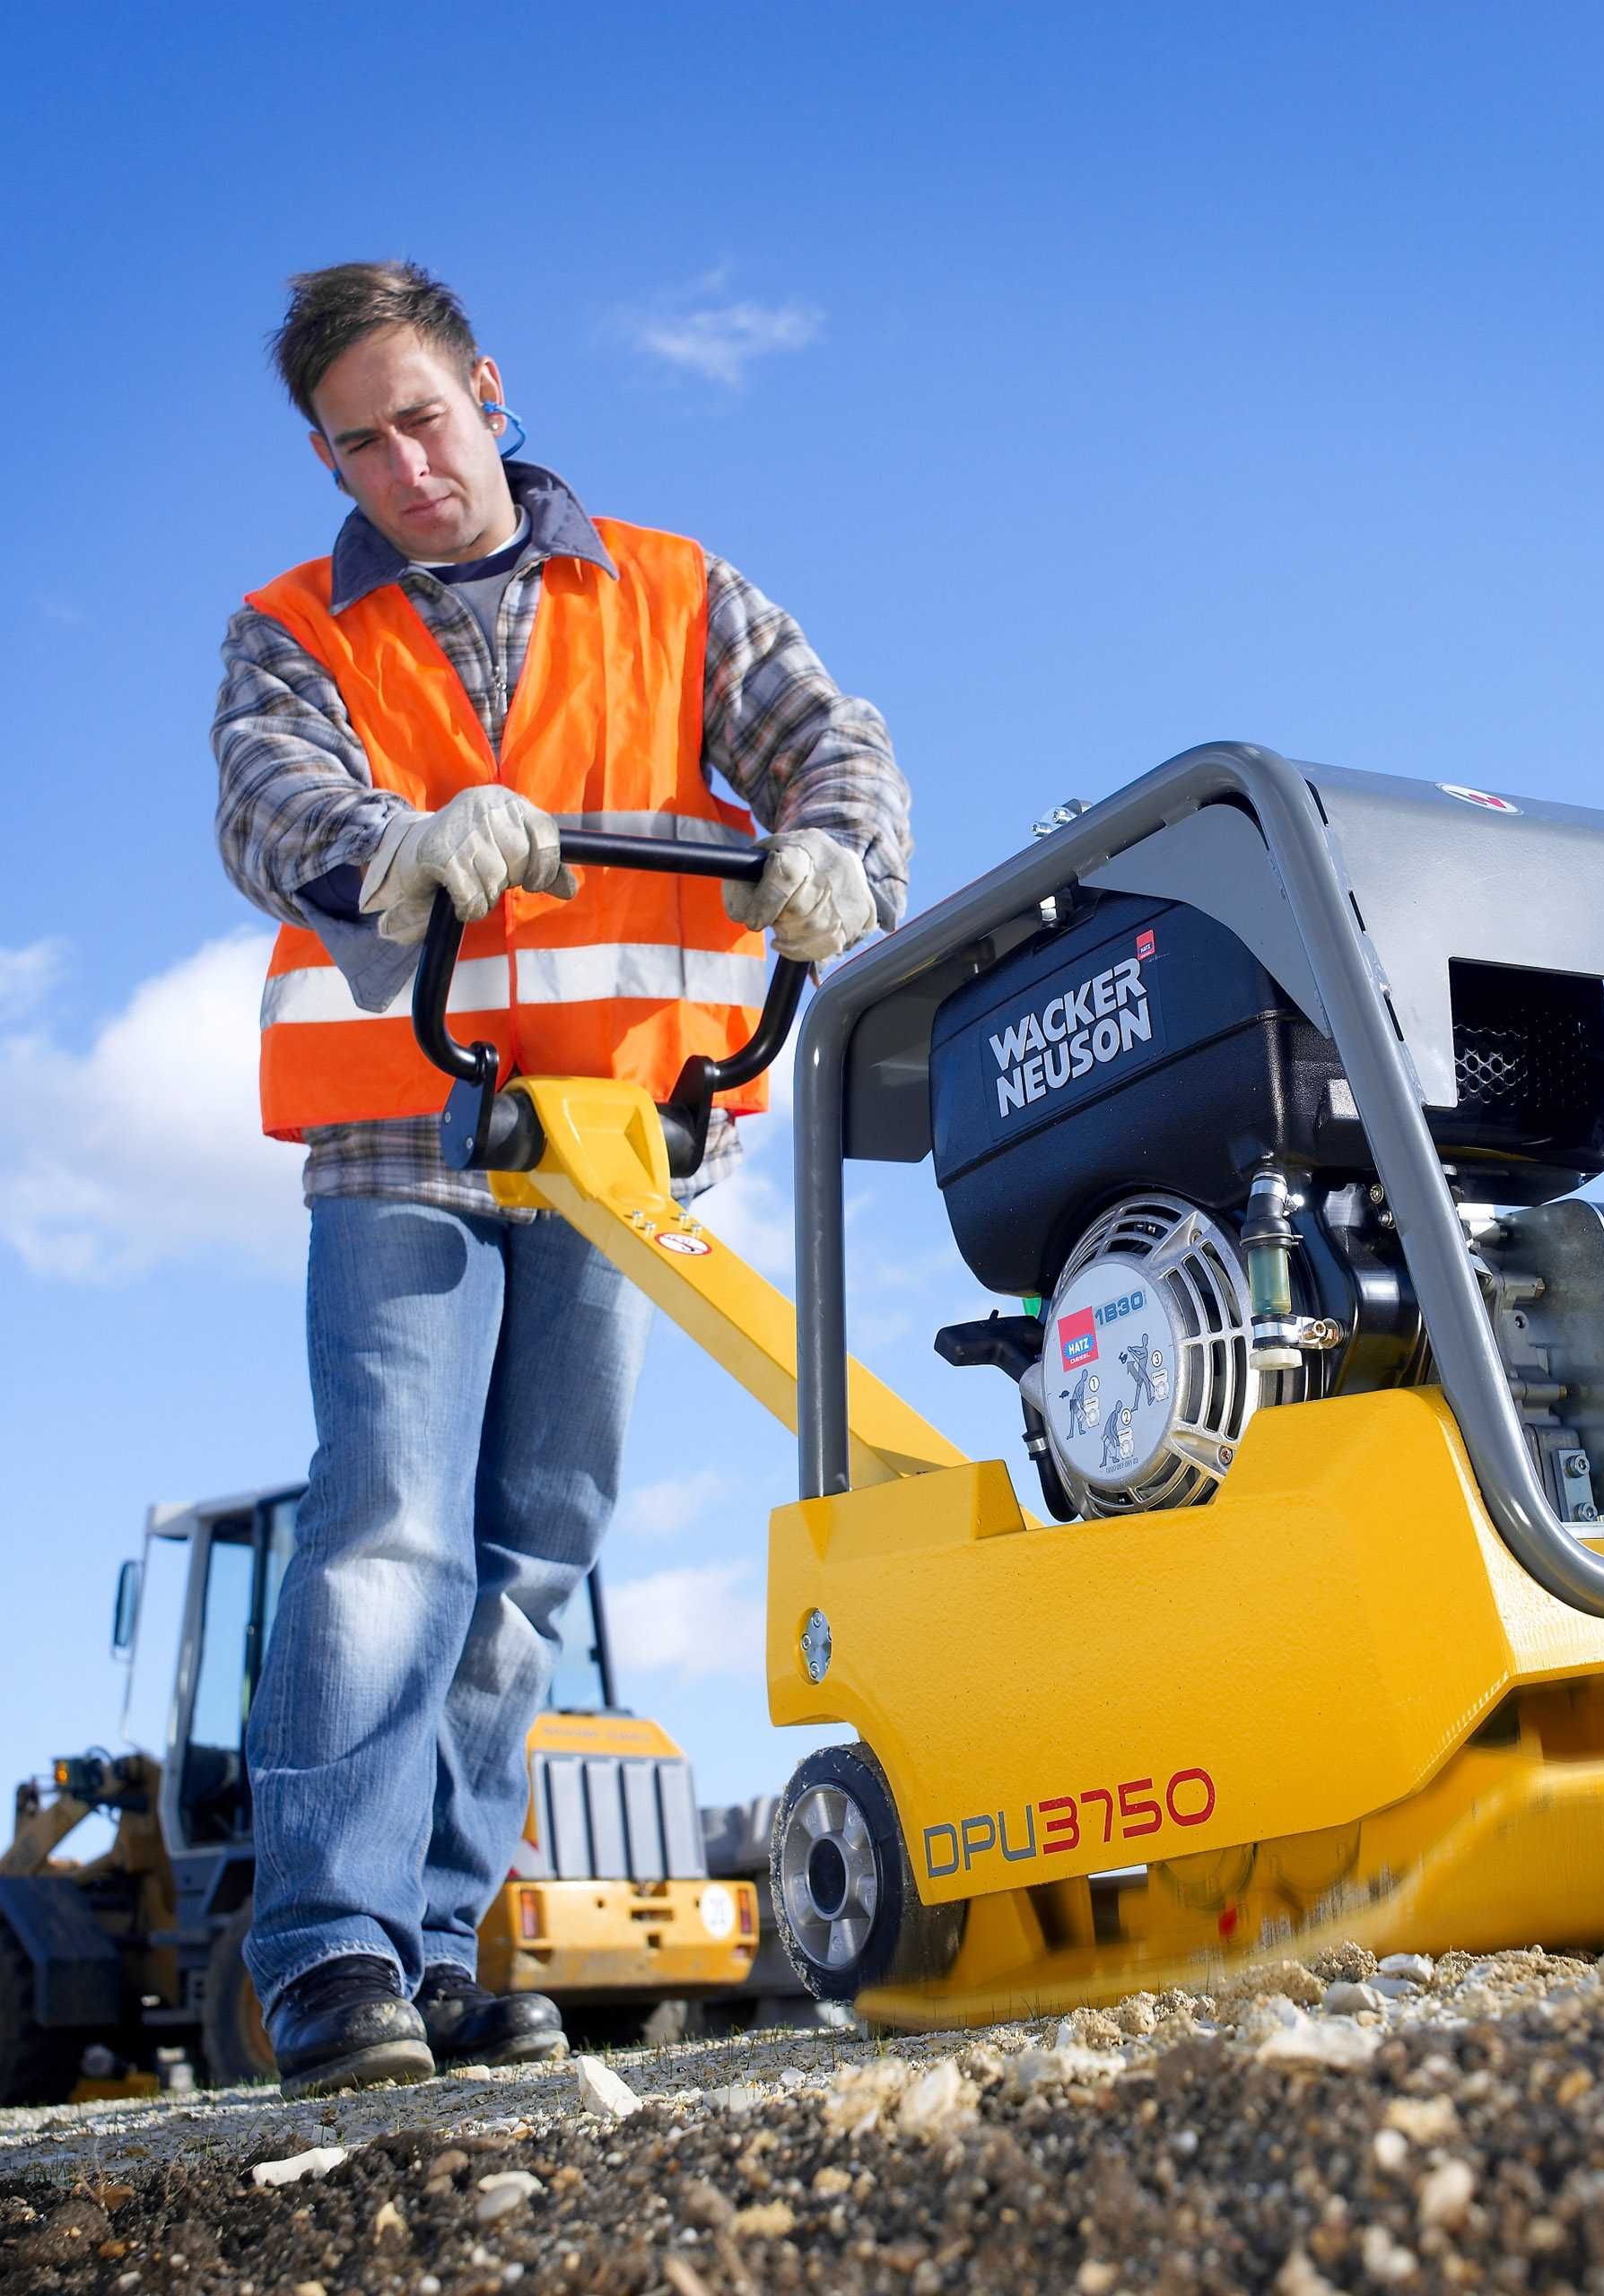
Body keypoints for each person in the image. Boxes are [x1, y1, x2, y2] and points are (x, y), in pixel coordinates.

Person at [213, 261, 911, 2099]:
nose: (404, 464)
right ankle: (331, 1955)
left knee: (531, 1561)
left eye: (423, 418)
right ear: (326, 455)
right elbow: (266, 798)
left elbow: (828, 741)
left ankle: (440, 1948)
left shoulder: (674, 592)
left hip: (621, 1144)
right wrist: (395, 840)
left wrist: (836, 851)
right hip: (406, 1133)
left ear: (490, 392)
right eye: (358, 443)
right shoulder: (295, 625)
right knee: (386, 1537)